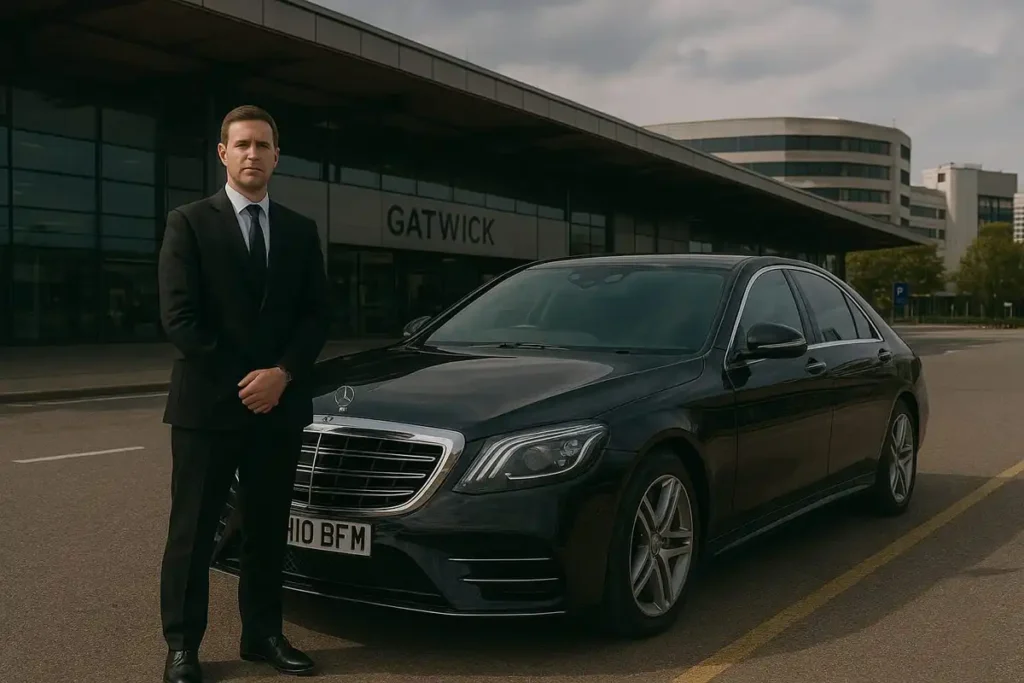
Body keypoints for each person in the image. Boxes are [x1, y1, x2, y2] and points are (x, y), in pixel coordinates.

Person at [157, 105, 329, 683]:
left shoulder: (301, 231)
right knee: (194, 532)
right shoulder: (188, 223)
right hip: (208, 408)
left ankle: (263, 635)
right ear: (223, 154)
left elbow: (315, 317)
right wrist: (248, 381)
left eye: (263, 145)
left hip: (277, 409)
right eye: (242, 145)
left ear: (277, 156)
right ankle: (183, 647)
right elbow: (181, 321)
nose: (253, 154)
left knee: (266, 529)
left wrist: (281, 374)